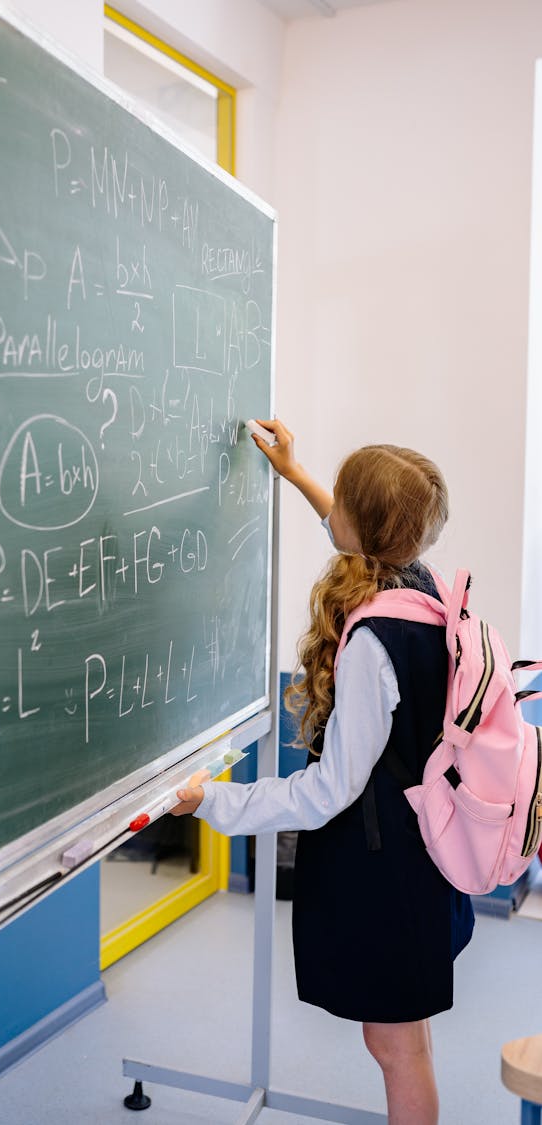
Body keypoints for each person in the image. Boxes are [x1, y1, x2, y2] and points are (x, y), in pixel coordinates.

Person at [171, 419, 474, 1125]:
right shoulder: (420, 586)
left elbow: (326, 790)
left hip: (389, 864)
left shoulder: (372, 641)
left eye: (338, 497)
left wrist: (211, 801)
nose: (328, 505)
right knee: (407, 1039)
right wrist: (296, 473)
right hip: (422, 846)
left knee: (397, 1048)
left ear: (362, 524)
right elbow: (351, 527)